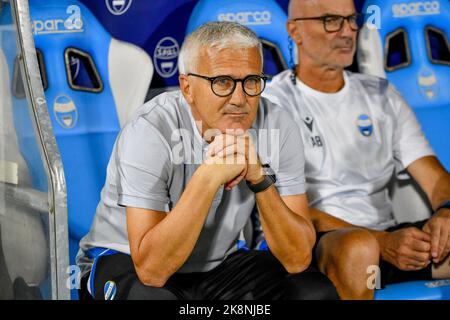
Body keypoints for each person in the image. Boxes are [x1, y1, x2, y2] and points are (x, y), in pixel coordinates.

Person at [76, 21, 344, 300]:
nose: (239, 99)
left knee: (314, 293)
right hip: (127, 259)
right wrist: (208, 176)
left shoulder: (276, 123)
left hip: (219, 264)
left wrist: (260, 179)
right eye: (223, 82)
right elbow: (152, 271)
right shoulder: (151, 129)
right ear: (187, 87)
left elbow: (297, 258)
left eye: (251, 81)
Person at [263, 0, 450, 291]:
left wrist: (446, 213)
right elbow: (281, 211)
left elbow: (436, 179)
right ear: (295, 31)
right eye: (331, 20)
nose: (348, 31)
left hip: (392, 244)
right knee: (358, 248)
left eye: (352, 19)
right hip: (320, 245)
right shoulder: (272, 104)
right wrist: (379, 241)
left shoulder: (382, 95)